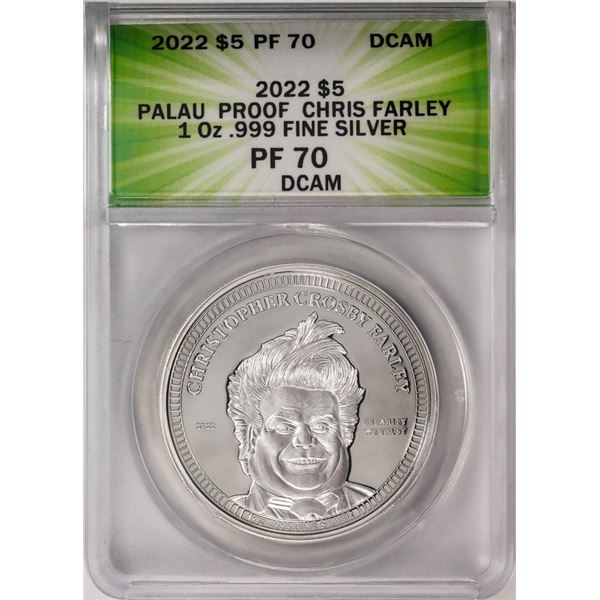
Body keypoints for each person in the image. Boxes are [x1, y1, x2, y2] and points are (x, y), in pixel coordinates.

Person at [227, 312, 374, 520]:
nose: (305, 441)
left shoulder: (382, 507)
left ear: (345, 435)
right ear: (251, 439)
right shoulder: (220, 517)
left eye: (322, 426)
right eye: (284, 427)